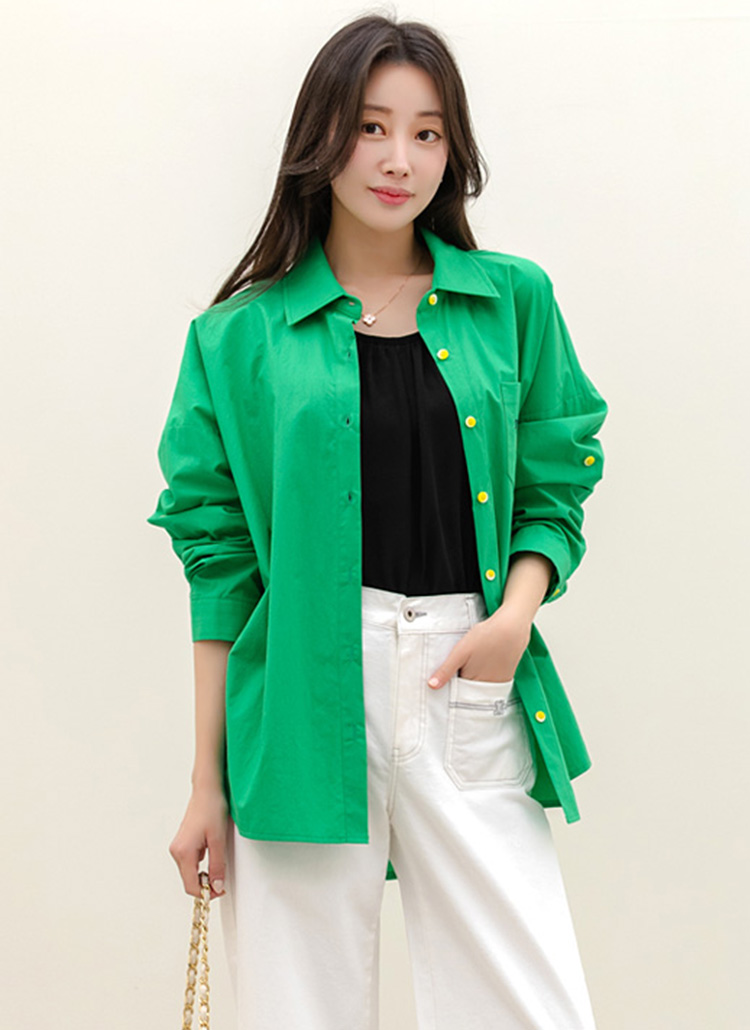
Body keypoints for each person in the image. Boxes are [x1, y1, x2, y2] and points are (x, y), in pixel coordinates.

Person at [146, 12, 608, 1030]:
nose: (401, 159)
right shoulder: (236, 337)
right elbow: (220, 569)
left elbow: (553, 484)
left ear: (454, 150)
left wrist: (515, 616)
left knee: (533, 1008)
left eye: (428, 132)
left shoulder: (512, 302)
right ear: (322, 136)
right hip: (301, 694)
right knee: (298, 1010)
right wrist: (205, 784)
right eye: (371, 126)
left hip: (468, 672)